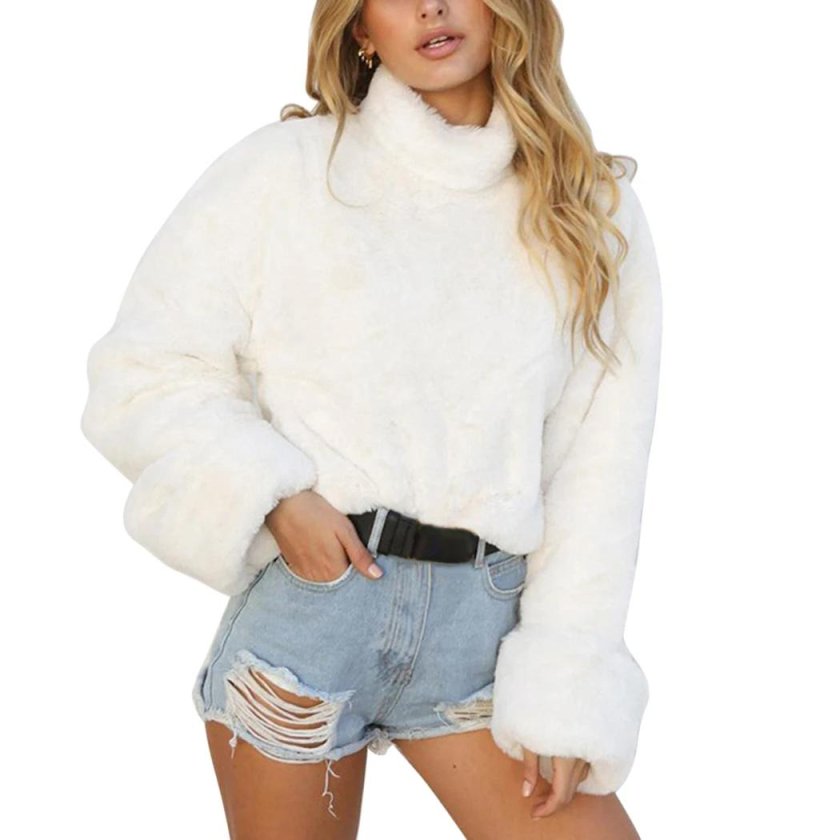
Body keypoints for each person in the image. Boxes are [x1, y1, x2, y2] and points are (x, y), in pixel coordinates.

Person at [80, 1, 662, 837]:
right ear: (359, 29)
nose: (430, 7)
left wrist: (568, 685)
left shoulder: (588, 209)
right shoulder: (286, 173)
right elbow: (142, 372)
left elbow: (600, 473)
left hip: (484, 637)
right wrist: (275, 495)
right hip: (310, 627)